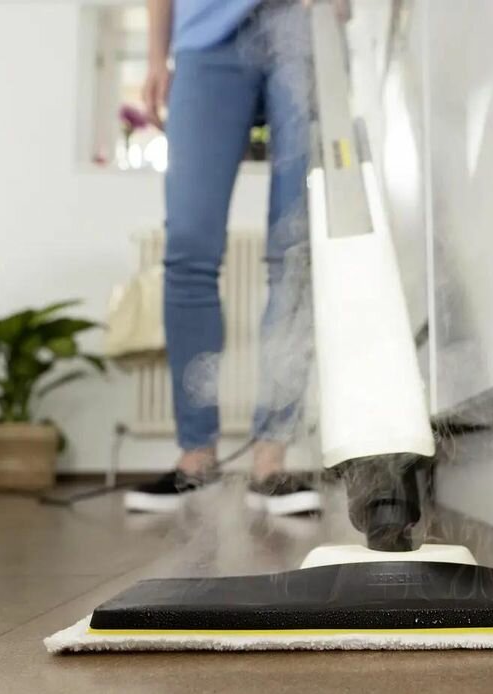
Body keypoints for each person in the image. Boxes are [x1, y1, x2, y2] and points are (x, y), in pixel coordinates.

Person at [125, 0, 340, 516]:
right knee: (188, 252)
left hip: (302, 30)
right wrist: (157, 58)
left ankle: (271, 459)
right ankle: (196, 456)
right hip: (205, 39)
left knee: (295, 253)